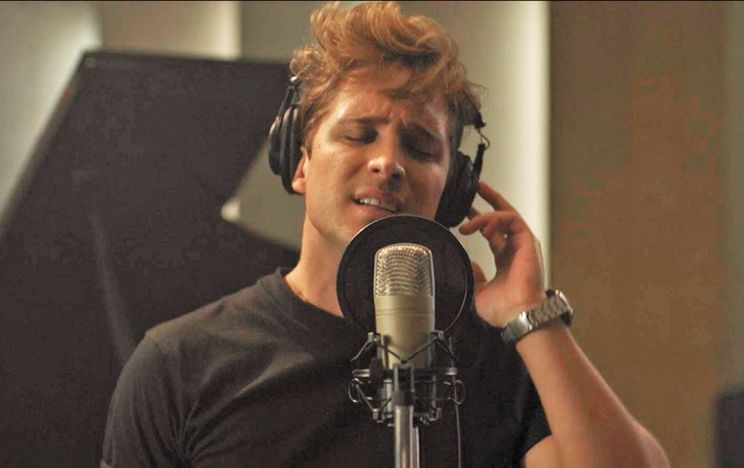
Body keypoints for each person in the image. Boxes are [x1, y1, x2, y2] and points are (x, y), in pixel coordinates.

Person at [101, 2, 670, 467]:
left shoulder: (493, 361)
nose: (388, 163)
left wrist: (530, 314)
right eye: (359, 135)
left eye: (419, 148)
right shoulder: (180, 366)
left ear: (452, 191)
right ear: (299, 164)